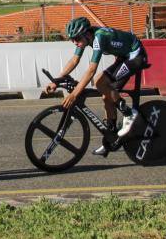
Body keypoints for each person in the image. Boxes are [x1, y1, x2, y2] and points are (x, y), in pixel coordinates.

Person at [47, 17, 148, 156]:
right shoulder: (86, 38)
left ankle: (129, 113)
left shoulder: (99, 38)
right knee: (106, 96)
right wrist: (56, 80)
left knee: (99, 82)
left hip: (135, 56)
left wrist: (74, 94)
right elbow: (74, 60)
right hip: (123, 57)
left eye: (76, 38)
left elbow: (91, 70)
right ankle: (111, 139)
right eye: (72, 39)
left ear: (87, 34)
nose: (74, 42)